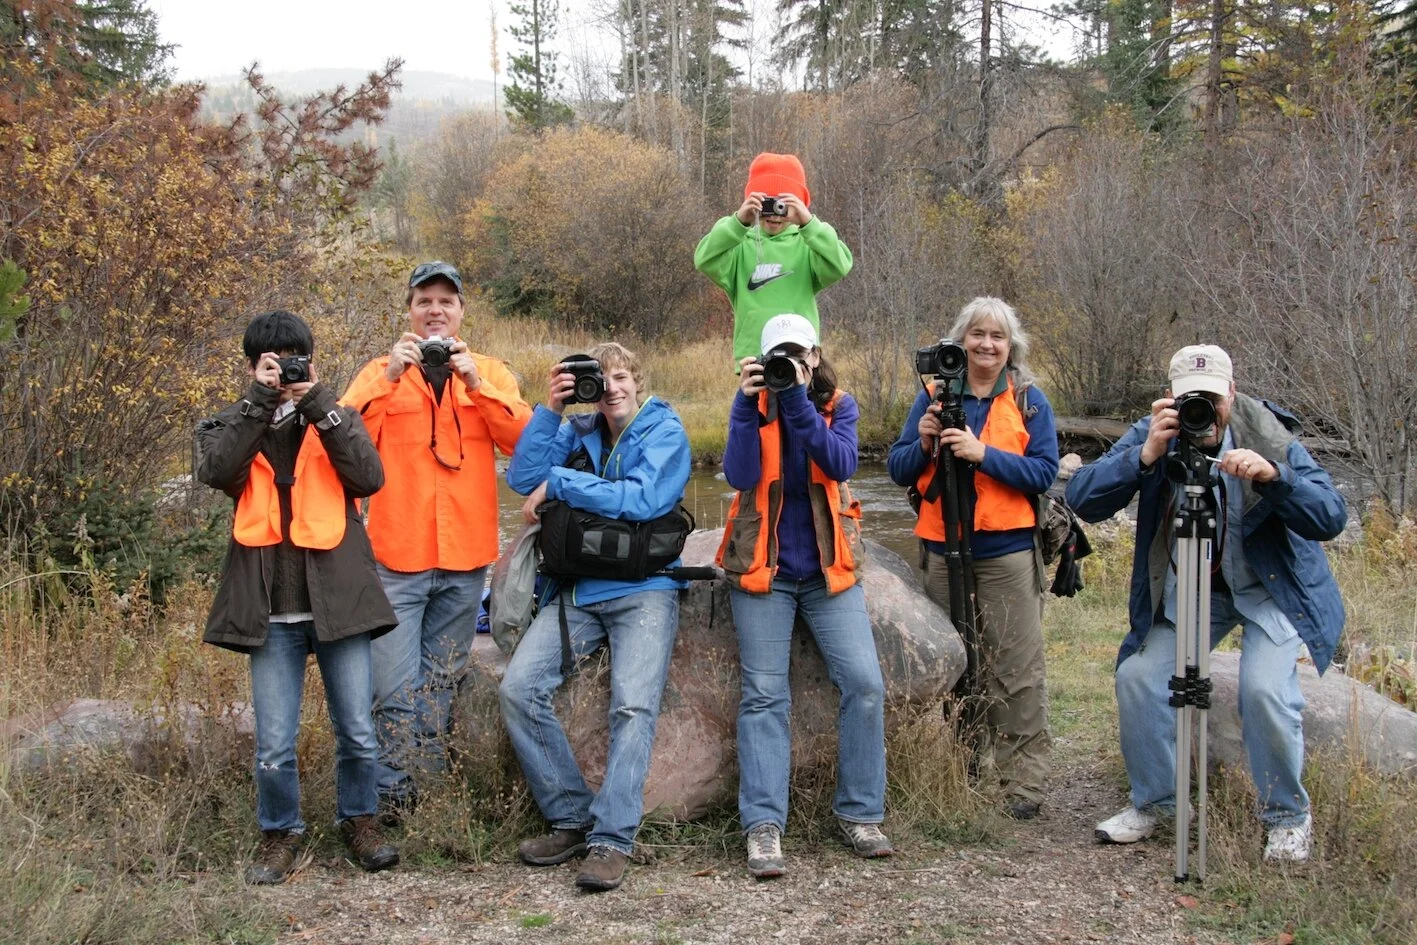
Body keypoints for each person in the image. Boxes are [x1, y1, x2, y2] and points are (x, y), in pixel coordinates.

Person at [1066, 344, 1347, 862]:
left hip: (1270, 588)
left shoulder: (1268, 434)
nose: (1204, 413)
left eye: (1213, 400)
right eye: (1191, 399)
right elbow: (1082, 499)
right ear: (1172, 397)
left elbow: (1331, 517)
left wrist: (1274, 478)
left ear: (1232, 395)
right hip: (1195, 590)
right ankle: (1159, 804)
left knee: (1263, 690)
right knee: (1138, 677)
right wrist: (1143, 455)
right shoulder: (1159, 431)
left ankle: (1286, 817)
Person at [196, 310, 400, 885]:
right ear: (252, 365)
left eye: (293, 357)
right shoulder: (228, 423)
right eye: (271, 359)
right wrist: (259, 402)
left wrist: (317, 404)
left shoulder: (337, 416)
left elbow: (368, 476)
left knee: (358, 729)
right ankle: (279, 833)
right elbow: (216, 471)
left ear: (310, 359)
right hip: (270, 610)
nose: (283, 367)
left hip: (340, 601)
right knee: (274, 741)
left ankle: (361, 822)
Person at [341, 261, 532, 815]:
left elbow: (525, 441)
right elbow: (342, 437)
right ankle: (390, 800)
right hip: (396, 558)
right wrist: (389, 379)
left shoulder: (490, 372)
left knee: (440, 686)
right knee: (394, 692)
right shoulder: (380, 371)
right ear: (409, 311)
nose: (436, 310)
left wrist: (476, 386)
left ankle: (425, 799)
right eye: (425, 300)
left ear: (461, 312)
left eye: (447, 301)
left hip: (466, 559)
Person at [499, 342, 691, 893]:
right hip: (579, 589)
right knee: (519, 689)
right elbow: (521, 477)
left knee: (632, 706)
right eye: (599, 379)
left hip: (647, 587)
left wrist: (561, 484)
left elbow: (645, 499)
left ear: (639, 381)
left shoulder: (665, 430)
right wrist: (550, 410)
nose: (611, 388)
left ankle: (612, 840)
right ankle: (572, 818)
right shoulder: (576, 429)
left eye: (621, 376)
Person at [718, 313, 892, 880]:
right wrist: (749, 407)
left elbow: (839, 463)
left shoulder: (839, 405)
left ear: (814, 356)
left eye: (797, 355)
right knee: (764, 696)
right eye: (778, 357)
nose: (788, 365)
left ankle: (860, 814)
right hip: (765, 572)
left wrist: (796, 401)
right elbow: (739, 474)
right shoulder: (752, 403)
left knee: (864, 684)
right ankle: (763, 826)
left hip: (826, 571)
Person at [886, 297, 1059, 820]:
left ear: (1011, 347)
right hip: (943, 553)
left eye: (997, 337)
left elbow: (1044, 473)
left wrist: (985, 455)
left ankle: (1021, 784)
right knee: (954, 664)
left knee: (1017, 669)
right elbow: (898, 468)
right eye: (977, 335)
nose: (987, 345)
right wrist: (923, 442)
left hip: (1006, 552)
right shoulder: (934, 397)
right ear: (959, 342)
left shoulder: (1029, 400)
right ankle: (960, 768)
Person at [694, 152, 854, 367]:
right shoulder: (739, 246)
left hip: (800, 354)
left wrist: (808, 223)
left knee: (801, 402)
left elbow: (840, 264)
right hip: (754, 355)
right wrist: (739, 222)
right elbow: (704, 258)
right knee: (754, 402)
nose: (775, 213)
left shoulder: (808, 245)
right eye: (767, 203)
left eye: (783, 205)